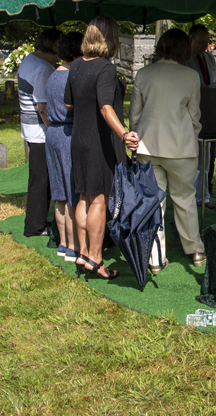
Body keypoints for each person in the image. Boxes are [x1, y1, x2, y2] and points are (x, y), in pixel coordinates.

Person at [64, 15, 139, 280]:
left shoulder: (75, 66)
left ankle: (83, 253)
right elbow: (106, 107)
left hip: (78, 139)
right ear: (110, 38)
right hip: (98, 142)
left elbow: (68, 104)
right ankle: (96, 259)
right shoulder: (105, 69)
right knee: (99, 199)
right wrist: (124, 134)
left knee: (84, 197)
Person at [130, 28, 206, 273]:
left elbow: (135, 116)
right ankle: (195, 250)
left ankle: (155, 258)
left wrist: (137, 139)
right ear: (184, 49)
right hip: (181, 148)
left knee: (153, 201)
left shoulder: (143, 74)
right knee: (185, 200)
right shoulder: (191, 76)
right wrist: (190, 137)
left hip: (148, 146)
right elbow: (194, 116)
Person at [44, 31, 85, 261]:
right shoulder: (70, 77)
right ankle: (73, 246)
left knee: (60, 193)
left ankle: (63, 242)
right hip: (68, 132)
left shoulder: (52, 75)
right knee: (71, 193)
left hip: (53, 133)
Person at [18, 28, 62, 237]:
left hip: (30, 129)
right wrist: (53, 129)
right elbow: (43, 107)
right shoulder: (43, 69)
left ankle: (37, 221)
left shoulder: (29, 60)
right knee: (41, 180)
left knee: (39, 178)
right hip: (40, 132)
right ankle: (34, 226)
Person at [185, 23, 216, 209]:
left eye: (207, 42)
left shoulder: (209, 58)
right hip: (189, 116)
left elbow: (213, 79)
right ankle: (191, 197)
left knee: (206, 160)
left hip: (209, 114)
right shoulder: (183, 59)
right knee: (192, 160)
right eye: (201, 41)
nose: (205, 46)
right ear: (190, 39)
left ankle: (204, 197)